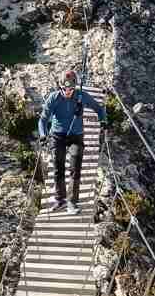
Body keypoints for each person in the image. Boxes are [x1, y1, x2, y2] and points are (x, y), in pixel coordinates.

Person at [38, 69, 107, 214]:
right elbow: (43, 120)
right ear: (60, 86)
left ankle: (72, 202)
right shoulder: (53, 98)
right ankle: (60, 200)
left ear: (75, 86)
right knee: (59, 168)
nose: (68, 91)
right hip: (57, 136)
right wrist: (43, 135)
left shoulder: (81, 96)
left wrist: (103, 121)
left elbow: (99, 109)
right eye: (65, 88)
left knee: (75, 168)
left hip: (76, 135)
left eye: (71, 88)